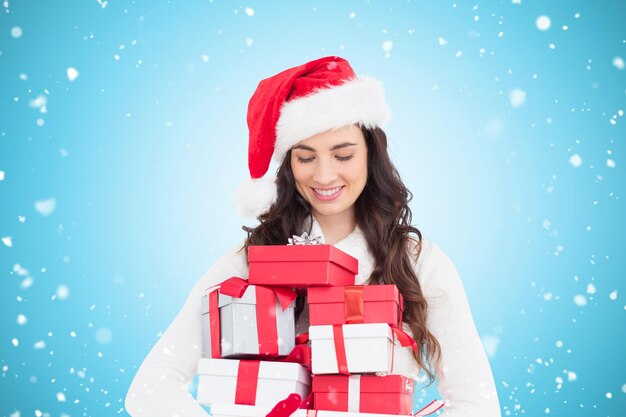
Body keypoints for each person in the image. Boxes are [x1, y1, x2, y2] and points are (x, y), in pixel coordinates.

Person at [125, 56, 502, 417]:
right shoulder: (251, 260)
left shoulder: (418, 261)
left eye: (343, 155)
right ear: (288, 164)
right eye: (306, 158)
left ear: (370, 155)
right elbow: (150, 388)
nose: (324, 176)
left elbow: (476, 402)